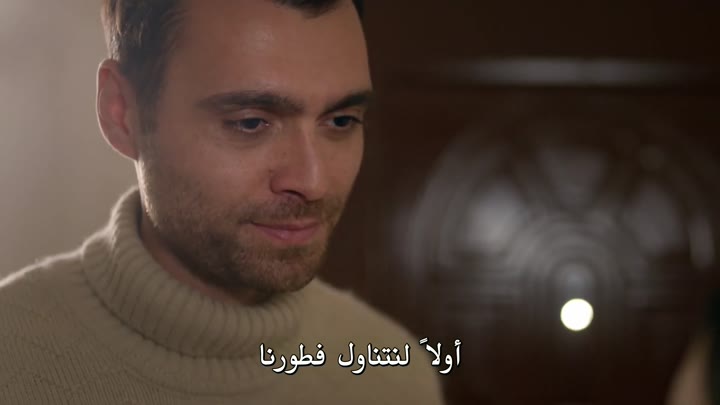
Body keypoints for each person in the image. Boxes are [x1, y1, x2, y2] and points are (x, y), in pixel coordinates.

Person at [0, 1, 445, 403]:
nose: (312, 182)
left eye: (341, 121)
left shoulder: (396, 376)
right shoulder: (13, 361)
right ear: (122, 113)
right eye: (250, 123)